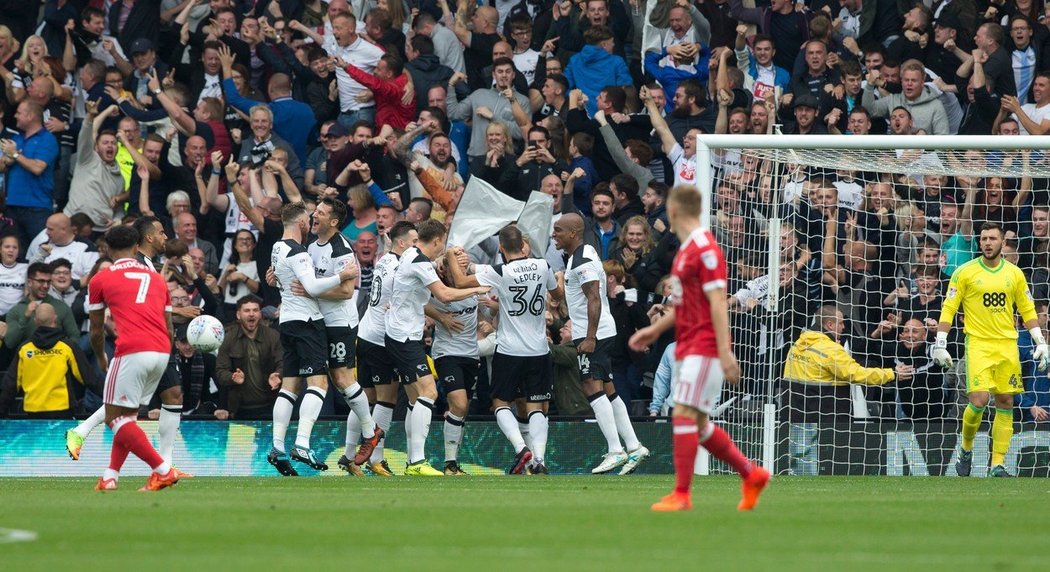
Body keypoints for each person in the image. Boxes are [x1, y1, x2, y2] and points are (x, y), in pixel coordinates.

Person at [629, 185, 769, 512]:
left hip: (704, 346)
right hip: (687, 345)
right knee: (701, 425)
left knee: (682, 413)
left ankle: (682, 493)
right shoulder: (687, 250)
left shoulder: (705, 248)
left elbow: (718, 302)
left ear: (674, 211)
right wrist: (653, 330)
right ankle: (752, 474)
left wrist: (725, 351)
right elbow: (682, 305)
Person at [933, 222, 1047, 478]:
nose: (987, 242)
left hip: (1007, 345)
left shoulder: (1015, 274)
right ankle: (966, 447)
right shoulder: (964, 272)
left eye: (992, 238)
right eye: (983, 238)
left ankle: (998, 464)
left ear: (1002, 243)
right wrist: (940, 342)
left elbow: (1027, 309)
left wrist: (1040, 341)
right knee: (980, 400)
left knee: (1005, 401)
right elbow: (949, 308)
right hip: (979, 344)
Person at [446, 225, 561, 474]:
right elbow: (558, 294)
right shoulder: (543, 266)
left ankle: (521, 448)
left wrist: (453, 258)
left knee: (500, 402)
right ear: (522, 245)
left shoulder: (501, 271)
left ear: (501, 248)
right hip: (539, 349)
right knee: (537, 405)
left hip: (509, 350)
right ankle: (539, 460)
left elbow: (460, 281)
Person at [385, 219, 490, 476]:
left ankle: (414, 460)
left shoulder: (411, 255)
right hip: (404, 336)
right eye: (442, 245)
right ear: (436, 241)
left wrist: (455, 256)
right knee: (429, 393)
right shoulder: (419, 261)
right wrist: (478, 288)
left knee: (414, 399)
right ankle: (417, 463)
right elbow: (443, 295)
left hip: (402, 334)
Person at [552, 212, 649, 475]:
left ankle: (615, 450)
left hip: (594, 333)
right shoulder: (583, 254)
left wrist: (591, 337)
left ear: (573, 233)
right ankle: (633, 445)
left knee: (591, 387)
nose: (554, 235)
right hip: (600, 329)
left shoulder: (582, 260)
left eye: (559, 230)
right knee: (608, 389)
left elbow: (594, 297)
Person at [86, 225, 181, 491]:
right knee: (127, 416)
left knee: (114, 418)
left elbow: (95, 330)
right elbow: (170, 325)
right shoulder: (157, 278)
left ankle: (163, 470)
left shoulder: (101, 279)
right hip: (162, 351)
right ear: (136, 247)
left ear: (107, 248)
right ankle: (110, 477)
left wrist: (102, 357)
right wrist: (164, 354)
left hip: (132, 349)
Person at [268, 201, 359, 475]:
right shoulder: (298, 252)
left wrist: (277, 281)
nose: (312, 221)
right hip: (307, 323)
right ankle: (302, 443)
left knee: (289, 387)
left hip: (287, 323)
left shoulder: (277, 248)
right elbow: (312, 287)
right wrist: (342, 275)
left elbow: (281, 279)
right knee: (319, 385)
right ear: (302, 224)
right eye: (310, 217)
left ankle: (277, 447)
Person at [307, 197, 383, 473]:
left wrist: (310, 290)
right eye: (316, 211)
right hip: (320, 321)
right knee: (338, 381)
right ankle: (365, 435)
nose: (314, 215)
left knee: (342, 378)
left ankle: (370, 431)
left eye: (321, 213)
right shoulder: (311, 245)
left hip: (341, 322)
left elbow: (345, 291)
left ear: (334, 221)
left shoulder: (341, 250)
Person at [355, 221, 418, 476]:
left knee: (364, 399)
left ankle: (350, 455)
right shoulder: (401, 267)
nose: (417, 247)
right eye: (414, 242)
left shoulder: (382, 260)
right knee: (386, 400)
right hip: (382, 339)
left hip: (365, 333)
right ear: (401, 243)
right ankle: (376, 459)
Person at [0, 303, 97, 418]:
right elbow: (88, 378)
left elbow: (10, 385)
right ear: (55, 319)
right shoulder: (67, 347)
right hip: (62, 410)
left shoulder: (25, 349)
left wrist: (2, 413)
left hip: (33, 412)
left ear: (35, 321)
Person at [215, 295, 283, 419]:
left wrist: (278, 374)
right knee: (241, 439)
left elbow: (283, 363)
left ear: (260, 314)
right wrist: (232, 377)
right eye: (247, 310)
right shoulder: (228, 339)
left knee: (270, 439)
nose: (251, 314)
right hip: (239, 409)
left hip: (270, 406)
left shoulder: (273, 336)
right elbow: (220, 372)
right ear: (238, 315)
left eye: (255, 310)